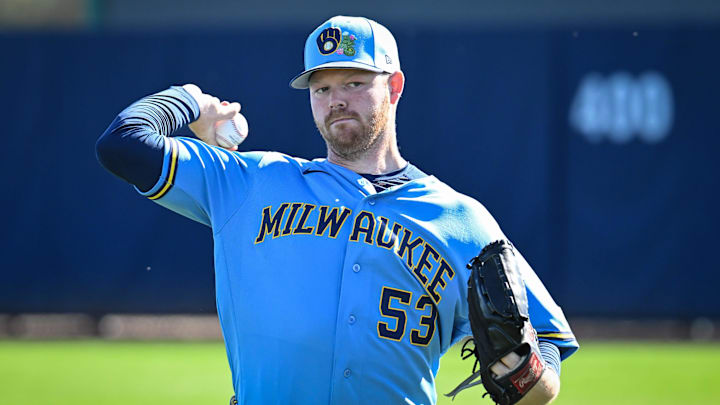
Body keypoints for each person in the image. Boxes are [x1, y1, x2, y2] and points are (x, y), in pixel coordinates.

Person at [96, 15, 578, 405]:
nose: (336, 101)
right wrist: (190, 101)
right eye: (321, 88)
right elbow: (122, 145)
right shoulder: (251, 182)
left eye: (353, 82)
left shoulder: (460, 220)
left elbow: (550, 345)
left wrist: (532, 380)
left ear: (394, 87)